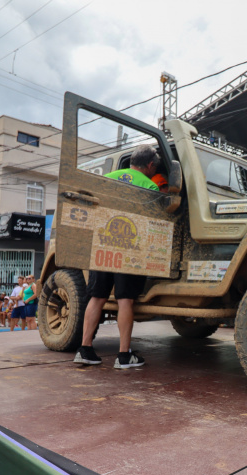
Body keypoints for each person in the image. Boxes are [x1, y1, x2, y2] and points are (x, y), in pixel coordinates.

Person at [74, 145, 158, 368]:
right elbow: (154, 222)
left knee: (97, 297)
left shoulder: (106, 178)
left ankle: (85, 349)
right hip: (128, 247)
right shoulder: (149, 185)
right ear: (150, 165)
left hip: (102, 244)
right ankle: (123, 355)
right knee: (124, 300)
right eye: (154, 167)